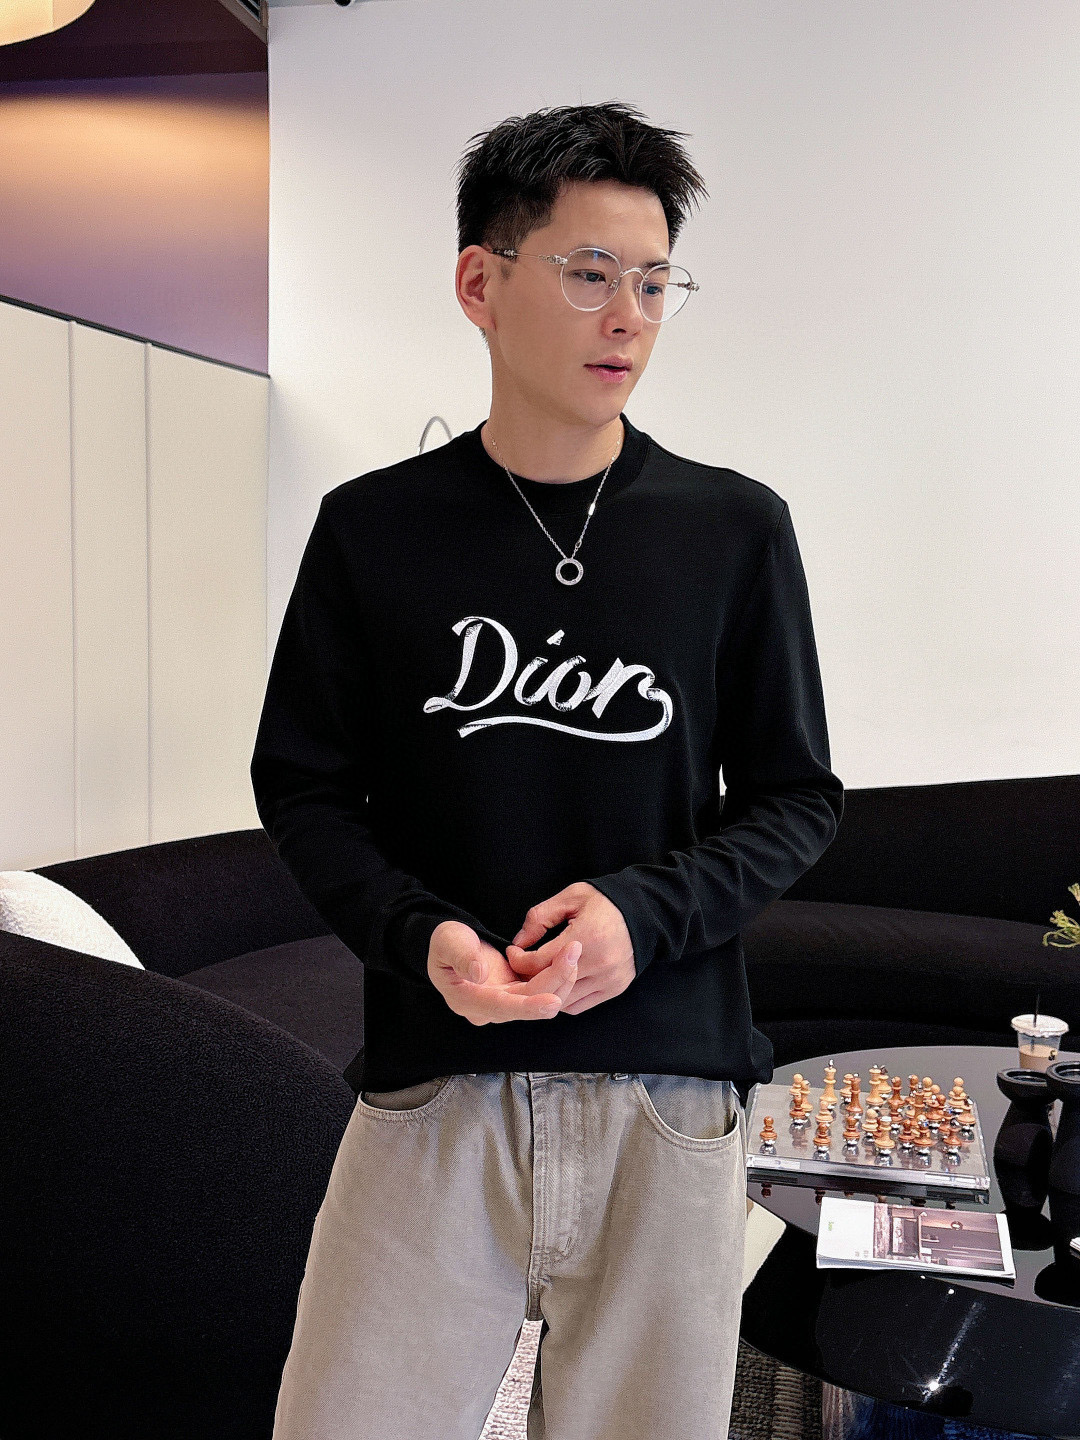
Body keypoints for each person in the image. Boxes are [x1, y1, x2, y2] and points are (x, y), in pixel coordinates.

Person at [251, 99, 843, 1440]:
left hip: (671, 1098)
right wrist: (422, 936)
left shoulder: (735, 531)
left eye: (655, 283)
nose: (628, 317)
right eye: (589, 274)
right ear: (482, 282)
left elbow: (796, 798)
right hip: (433, 1087)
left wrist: (643, 916)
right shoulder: (371, 532)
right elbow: (303, 786)